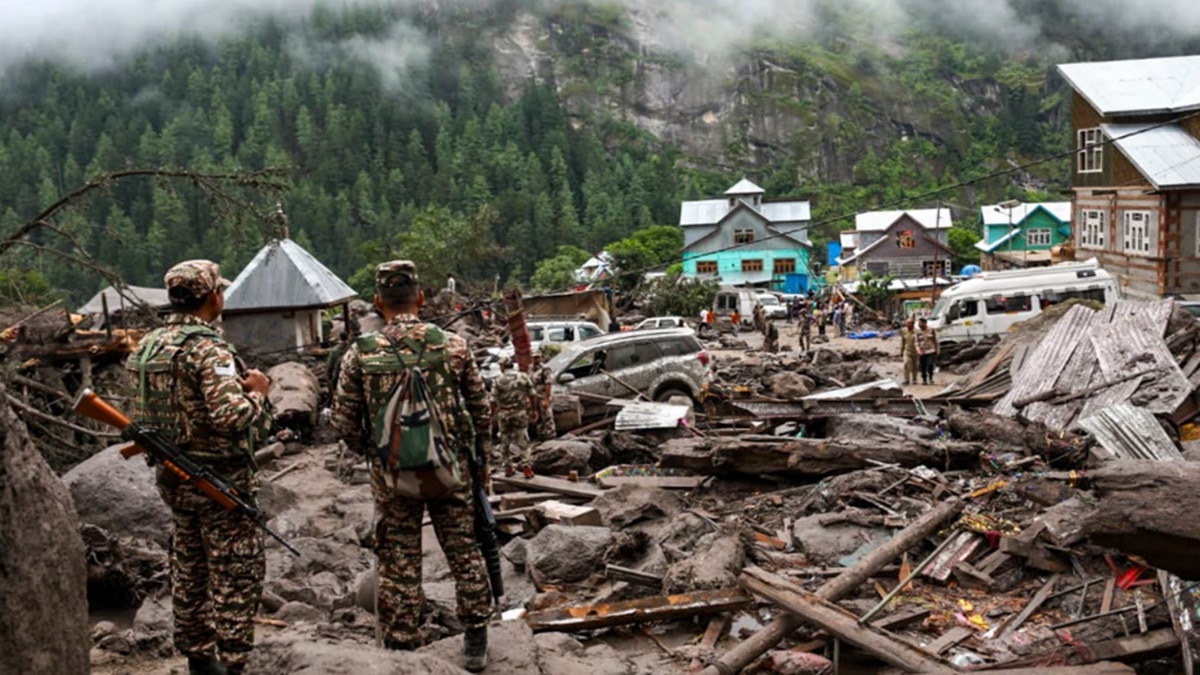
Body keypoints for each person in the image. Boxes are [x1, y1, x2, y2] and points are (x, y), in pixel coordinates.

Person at [331, 261, 492, 671]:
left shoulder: (360, 355)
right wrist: (478, 462)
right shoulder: (453, 346)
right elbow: (480, 410)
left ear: (377, 301)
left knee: (399, 560)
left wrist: (376, 451)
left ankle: (403, 647)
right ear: (421, 298)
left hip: (392, 475)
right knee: (464, 551)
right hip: (450, 470)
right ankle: (475, 640)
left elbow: (344, 422)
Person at [126, 260, 272, 675]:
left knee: (189, 569)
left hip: (173, 479)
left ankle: (198, 659)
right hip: (220, 484)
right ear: (214, 297)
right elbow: (230, 417)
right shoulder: (208, 348)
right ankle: (233, 662)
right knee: (235, 574)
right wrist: (258, 393)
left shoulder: (149, 345)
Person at [491, 357, 538, 474]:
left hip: (504, 413)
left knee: (504, 440)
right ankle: (526, 465)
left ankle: (508, 467)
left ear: (503, 367)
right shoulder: (523, 376)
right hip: (520, 412)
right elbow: (532, 395)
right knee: (523, 439)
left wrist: (491, 415)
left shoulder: (498, 380)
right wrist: (534, 410)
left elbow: (493, 400)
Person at [530, 350, 556, 441]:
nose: (536, 359)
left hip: (543, 395)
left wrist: (546, 399)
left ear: (541, 357)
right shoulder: (530, 369)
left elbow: (548, 384)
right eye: (534, 357)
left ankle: (550, 435)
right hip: (535, 396)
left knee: (547, 416)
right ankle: (541, 435)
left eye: (538, 357)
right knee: (538, 417)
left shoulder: (545, 368)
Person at [915, 317, 940, 385]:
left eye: (920, 323)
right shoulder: (918, 332)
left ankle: (931, 378)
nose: (919, 324)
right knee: (923, 366)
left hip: (931, 350)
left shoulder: (931, 330)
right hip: (922, 351)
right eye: (919, 323)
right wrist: (918, 350)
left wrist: (937, 349)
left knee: (930, 364)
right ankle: (924, 379)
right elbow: (916, 342)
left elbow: (936, 340)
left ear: (924, 323)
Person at [900, 318, 919, 386]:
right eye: (906, 323)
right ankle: (906, 379)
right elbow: (903, 341)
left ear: (912, 324)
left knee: (915, 365)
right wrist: (901, 350)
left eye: (908, 323)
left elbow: (920, 341)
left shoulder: (917, 332)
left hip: (915, 351)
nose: (907, 324)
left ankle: (914, 379)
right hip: (907, 350)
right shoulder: (904, 331)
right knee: (906, 363)